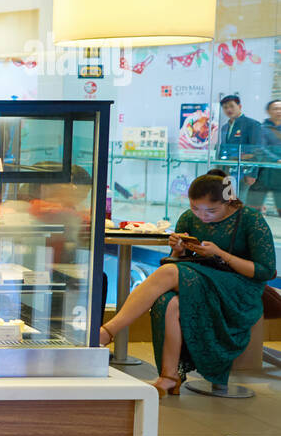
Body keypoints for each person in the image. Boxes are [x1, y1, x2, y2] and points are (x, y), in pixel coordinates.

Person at [98, 169, 276, 396]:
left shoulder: (250, 220)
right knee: (168, 303)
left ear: (228, 201)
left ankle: (106, 332)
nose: (202, 216)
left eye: (211, 210)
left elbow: (265, 270)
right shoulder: (189, 218)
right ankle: (169, 376)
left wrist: (221, 254)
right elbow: (180, 260)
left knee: (169, 273)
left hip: (240, 288)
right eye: (195, 208)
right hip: (200, 280)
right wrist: (179, 250)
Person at [216, 95, 263, 200]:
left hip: (243, 172)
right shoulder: (225, 127)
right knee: (226, 201)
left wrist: (252, 174)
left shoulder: (252, 124)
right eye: (225, 107)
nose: (228, 109)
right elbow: (223, 149)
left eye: (231, 106)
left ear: (239, 106)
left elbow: (257, 150)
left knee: (240, 202)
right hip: (227, 171)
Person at [247, 99, 281, 216]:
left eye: (280, 108)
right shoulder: (261, 129)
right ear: (268, 111)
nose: (279, 111)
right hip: (263, 175)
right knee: (252, 210)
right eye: (275, 108)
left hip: (279, 176)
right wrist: (276, 160)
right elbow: (259, 149)